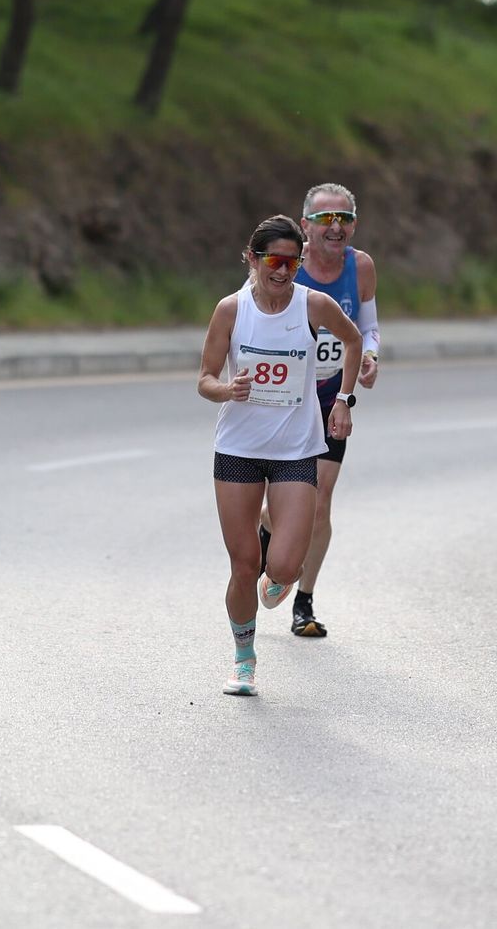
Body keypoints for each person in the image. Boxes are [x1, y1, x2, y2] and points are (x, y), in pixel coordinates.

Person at [198, 215, 361, 696]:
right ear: (252, 258)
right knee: (244, 564)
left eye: (293, 261)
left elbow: (352, 341)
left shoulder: (315, 306)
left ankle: (280, 576)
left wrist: (343, 400)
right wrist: (227, 388)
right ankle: (244, 658)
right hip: (239, 449)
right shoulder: (231, 310)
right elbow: (204, 379)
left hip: (294, 449)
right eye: (274, 260)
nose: (284, 270)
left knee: (285, 568)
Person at [259, 182, 380, 637]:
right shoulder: (286, 266)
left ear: (353, 225)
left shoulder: (361, 266)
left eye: (344, 218)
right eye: (325, 218)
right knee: (277, 503)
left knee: (319, 502)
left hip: (332, 399)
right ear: (305, 224)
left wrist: (369, 357)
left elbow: (368, 330)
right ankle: (269, 532)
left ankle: (303, 602)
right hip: (283, 400)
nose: (336, 227)